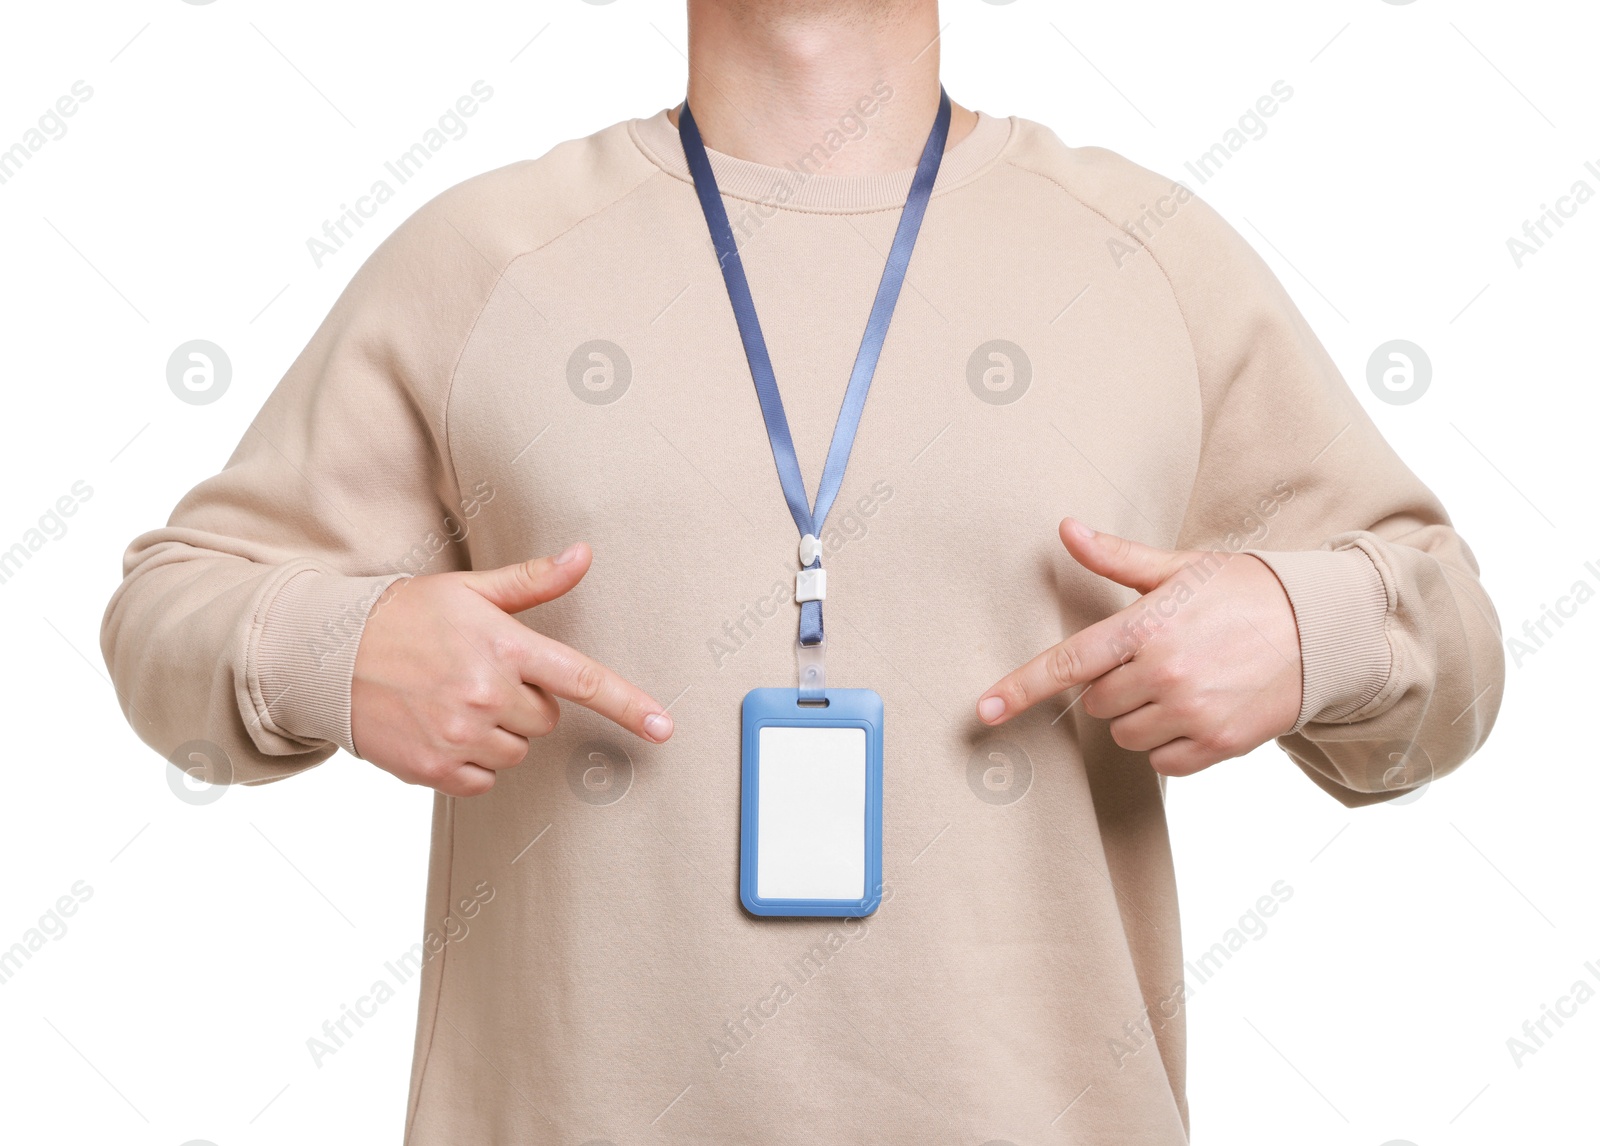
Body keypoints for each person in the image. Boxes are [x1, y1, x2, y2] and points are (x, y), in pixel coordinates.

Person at [101, 1, 1503, 1141]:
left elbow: (1454, 639)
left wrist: (1310, 626)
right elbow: (168, 604)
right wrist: (337, 647)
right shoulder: (486, 259)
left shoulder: (1148, 256)